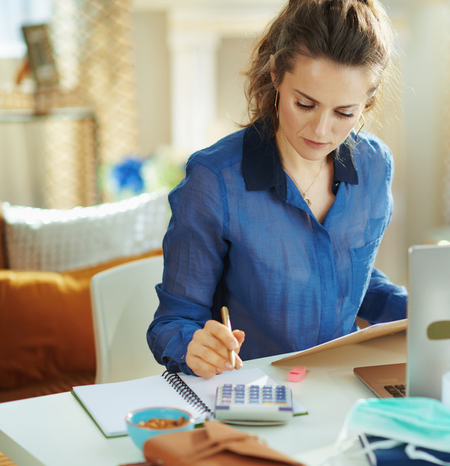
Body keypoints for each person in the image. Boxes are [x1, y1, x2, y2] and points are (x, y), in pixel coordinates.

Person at [147, 0, 407, 379]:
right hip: (251, 394)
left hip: (344, 387)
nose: (321, 131)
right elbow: (173, 321)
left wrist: (423, 311)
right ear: (276, 75)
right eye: (305, 104)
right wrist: (194, 346)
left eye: (344, 113)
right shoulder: (215, 180)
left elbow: (349, 285)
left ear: (368, 101)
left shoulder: (374, 167)